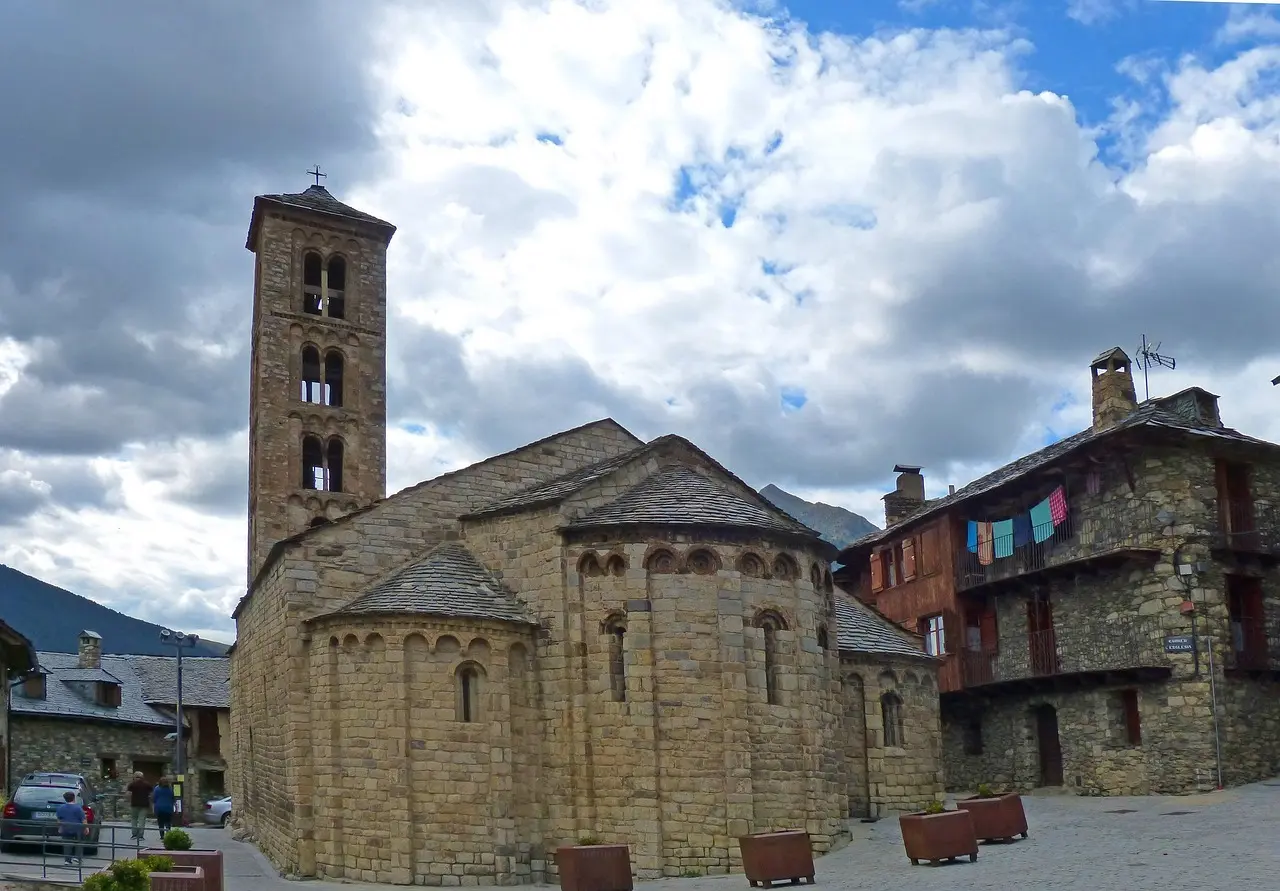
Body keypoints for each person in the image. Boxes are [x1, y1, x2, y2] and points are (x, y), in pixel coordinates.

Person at [55, 790, 87, 866]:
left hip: (65, 827)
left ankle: (67, 860)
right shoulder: (78, 808)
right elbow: (83, 819)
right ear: (74, 798)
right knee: (79, 842)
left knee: (67, 844)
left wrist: (60, 827)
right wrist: (86, 828)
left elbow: (59, 819)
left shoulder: (61, 808)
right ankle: (77, 857)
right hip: (77, 828)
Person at [125, 771, 153, 840]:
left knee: (134, 819)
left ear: (135, 776)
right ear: (142, 777)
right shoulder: (147, 784)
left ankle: (134, 835)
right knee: (142, 820)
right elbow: (152, 794)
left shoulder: (132, 784)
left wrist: (130, 800)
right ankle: (140, 836)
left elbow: (128, 794)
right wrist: (150, 801)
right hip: (144, 805)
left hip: (134, 804)